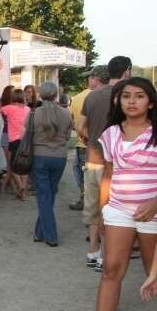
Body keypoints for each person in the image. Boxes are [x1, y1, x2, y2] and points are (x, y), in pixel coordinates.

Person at [75, 77, 157, 311]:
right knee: (111, 271)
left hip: (152, 212)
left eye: (139, 96)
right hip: (118, 210)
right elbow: (108, 175)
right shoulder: (111, 133)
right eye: (126, 96)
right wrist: (103, 213)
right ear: (118, 101)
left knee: (152, 272)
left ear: (151, 102)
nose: (132, 101)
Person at [77, 56, 132, 270]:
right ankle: (105, 256)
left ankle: (92, 252)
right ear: (126, 71)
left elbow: (80, 127)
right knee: (111, 210)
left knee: (92, 208)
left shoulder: (92, 96)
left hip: (93, 159)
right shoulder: (126, 96)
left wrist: (92, 140)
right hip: (116, 164)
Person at [30, 81, 73, 246]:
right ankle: (39, 232)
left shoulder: (34, 114)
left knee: (44, 195)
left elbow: (23, 135)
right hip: (60, 157)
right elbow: (68, 136)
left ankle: (51, 236)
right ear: (56, 95)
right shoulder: (66, 113)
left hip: (39, 156)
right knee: (49, 194)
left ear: (40, 95)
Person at [68, 66, 109, 211]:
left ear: (95, 79)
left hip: (86, 144)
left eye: (90, 77)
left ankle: (85, 200)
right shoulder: (117, 95)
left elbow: (76, 124)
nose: (88, 80)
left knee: (83, 175)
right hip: (107, 147)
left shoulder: (80, 97)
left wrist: (90, 137)